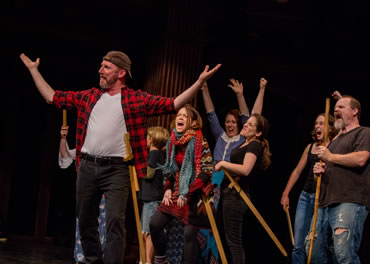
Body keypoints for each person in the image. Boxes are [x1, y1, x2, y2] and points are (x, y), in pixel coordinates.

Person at [20, 51, 221, 264]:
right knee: (86, 220)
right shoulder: (90, 96)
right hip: (87, 166)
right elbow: (52, 97)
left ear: (121, 72)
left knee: (115, 221)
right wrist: (34, 71)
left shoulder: (135, 99)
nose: (100, 70)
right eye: (101, 65)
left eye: (106, 67)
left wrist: (199, 82)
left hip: (117, 170)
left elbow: (172, 103)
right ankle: (93, 260)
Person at [200, 78, 267, 263]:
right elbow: (211, 114)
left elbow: (253, 117)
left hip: (232, 185)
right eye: (227, 121)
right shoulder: (221, 136)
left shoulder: (244, 142)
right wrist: (204, 89)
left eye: (234, 122)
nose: (230, 125)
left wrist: (242, 95)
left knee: (232, 239)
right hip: (216, 183)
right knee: (214, 228)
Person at [307, 95, 370, 263]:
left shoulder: (365, 133)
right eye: (335, 107)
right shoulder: (334, 141)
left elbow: (361, 158)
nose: (335, 110)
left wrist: (331, 157)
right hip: (325, 201)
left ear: (355, 111)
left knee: (343, 252)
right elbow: (332, 163)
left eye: (341, 107)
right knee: (312, 249)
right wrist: (320, 169)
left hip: (349, 199)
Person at [149, 104, 213, 264]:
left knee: (189, 235)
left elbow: (206, 172)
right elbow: (170, 170)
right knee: (155, 224)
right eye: (179, 115)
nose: (180, 117)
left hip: (197, 194)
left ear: (193, 123)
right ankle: (161, 260)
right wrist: (168, 189)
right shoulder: (172, 141)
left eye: (185, 116)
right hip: (178, 191)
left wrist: (187, 193)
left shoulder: (201, 141)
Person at [280, 113, 338, 264]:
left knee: (315, 244)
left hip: (323, 200)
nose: (317, 126)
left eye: (322, 124)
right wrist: (286, 193)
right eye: (316, 123)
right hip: (305, 197)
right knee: (298, 244)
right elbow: (297, 171)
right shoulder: (311, 147)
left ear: (331, 128)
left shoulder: (334, 147)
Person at [214, 113, 272, 264]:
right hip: (228, 194)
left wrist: (223, 163)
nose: (245, 125)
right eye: (247, 123)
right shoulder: (245, 143)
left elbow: (246, 169)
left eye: (251, 125)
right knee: (226, 240)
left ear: (258, 133)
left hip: (236, 196)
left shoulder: (255, 144)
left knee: (234, 243)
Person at [59, 125, 106, 264]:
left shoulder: (108, 149)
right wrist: (63, 138)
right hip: (89, 191)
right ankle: (83, 257)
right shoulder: (85, 148)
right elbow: (65, 156)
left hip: (104, 194)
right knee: (85, 220)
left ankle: (100, 257)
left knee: (102, 225)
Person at [140, 126, 169, 264]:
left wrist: (137, 169)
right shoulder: (158, 155)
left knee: (148, 232)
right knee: (146, 232)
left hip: (152, 199)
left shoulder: (154, 154)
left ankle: (147, 261)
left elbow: (149, 174)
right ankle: (144, 260)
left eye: (147, 137)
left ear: (151, 139)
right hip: (151, 198)